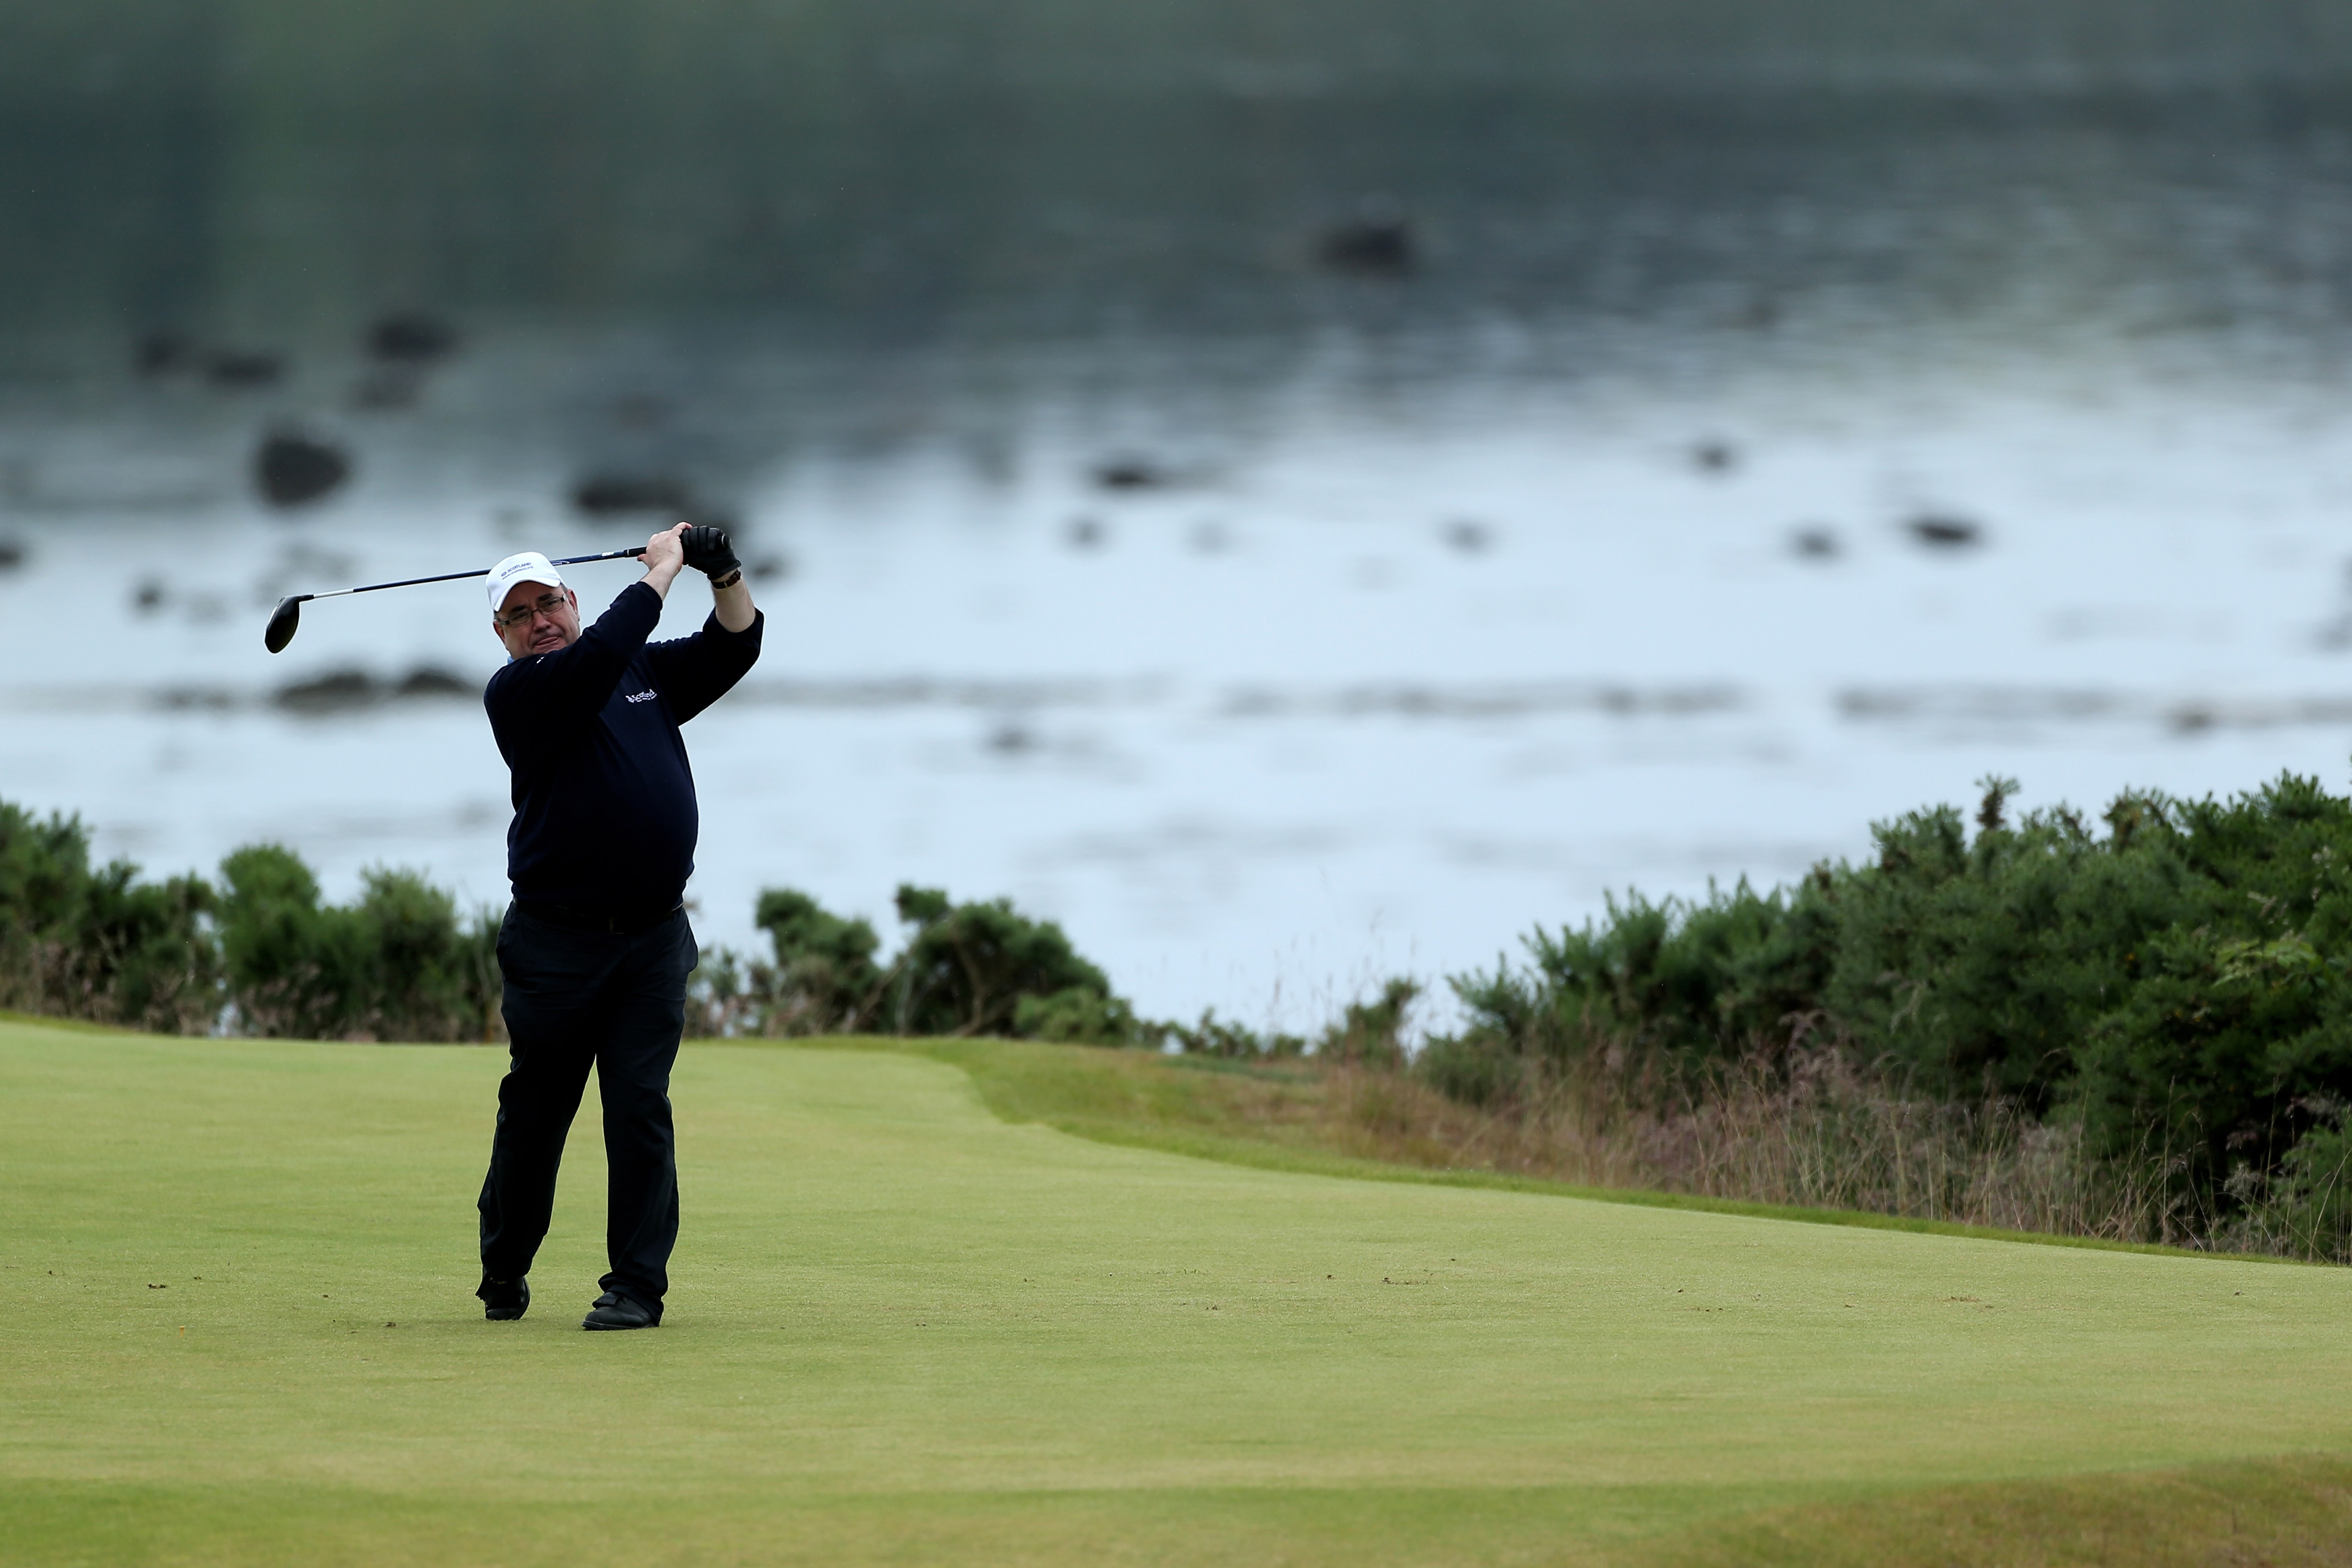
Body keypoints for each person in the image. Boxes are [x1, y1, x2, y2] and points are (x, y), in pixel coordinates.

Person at [473, 520, 761, 1330]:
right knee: (537, 1114)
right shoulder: (518, 695)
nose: (539, 621)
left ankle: (635, 1287)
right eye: (519, 614)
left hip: (651, 941)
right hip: (555, 944)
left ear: (573, 599)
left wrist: (722, 573)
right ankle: (505, 1266)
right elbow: (600, 653)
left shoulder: (637, 668)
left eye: (548, 603)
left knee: (639, 1108)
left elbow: (733, 648)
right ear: (501, 634)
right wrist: (661, 572)